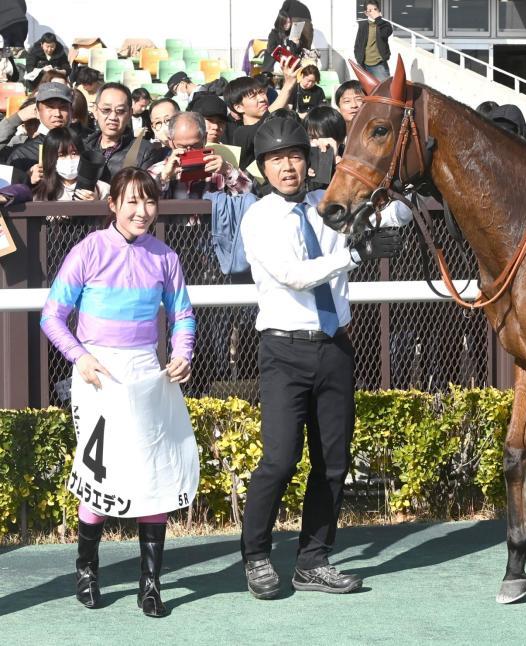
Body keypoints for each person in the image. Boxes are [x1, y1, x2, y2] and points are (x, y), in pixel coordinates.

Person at [238, 117, 409, 599]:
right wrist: (356, 256)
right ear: (263, 168)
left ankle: (313, 560)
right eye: (275, 160)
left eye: (293, 156)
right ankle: (255, 557)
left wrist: (401, 201)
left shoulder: (326, 203)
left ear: (307, 159)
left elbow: (389, 218)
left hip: (334, 345)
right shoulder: (259, 217)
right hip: (283, 349)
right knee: (279, 459)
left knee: (333, 462)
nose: (287, 166)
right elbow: (294, 275)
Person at [40, 167, 197, 617]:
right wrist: (79, 356)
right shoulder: (87, 250)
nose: (141, 211)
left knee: (154, 475)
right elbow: (52, 316)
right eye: (131, 201)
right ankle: (87, 569)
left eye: (149, 202)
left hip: (149, 373)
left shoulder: (165, 256)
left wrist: (182, 352)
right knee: (99, 476)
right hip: (98, 375)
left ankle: (150, 584)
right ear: (113, 205)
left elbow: (183, 315)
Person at [147, 111, 252, 199]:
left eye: (195, 145)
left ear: (204, 138)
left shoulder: (218, 168)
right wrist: (163, 177)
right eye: (182, 147)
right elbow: (145, 202)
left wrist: (227, 171)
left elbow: (247, 195)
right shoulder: (157, 170)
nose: (189, 151)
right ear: (170, 141)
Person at [225, 57, 301, 169]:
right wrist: (288, 84)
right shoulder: (241, 134)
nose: (262, 99)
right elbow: (262, 123)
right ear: (239, 107)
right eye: (253, 96)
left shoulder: (276, 125)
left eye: (261, 92)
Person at [85, 83, 163, 181]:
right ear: (95, 111)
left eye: (120, 111)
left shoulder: (145, 151)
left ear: (130, 113)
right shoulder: (82, 147)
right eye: (106, 110)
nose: (113, 117)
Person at [6, 82, 73, 175]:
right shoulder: (22, 155)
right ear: (37, 112)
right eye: (50, 107)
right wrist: (27, 180)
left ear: (71, 111)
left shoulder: (84, 146)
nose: (57, 113)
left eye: (63, 107)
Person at [33, 126, 110, 201]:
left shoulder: (102, 189)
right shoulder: (40, 192)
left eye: (74, 153)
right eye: (61, 155)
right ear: (51, 158)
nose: (69, 159)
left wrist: (96, 206)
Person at [262, 4, 312, 76]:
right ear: (280, 22)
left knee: (303, 67)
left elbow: (297, 52)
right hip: (276, 61)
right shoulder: (274, 34)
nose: (287, 25)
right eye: (285, 23)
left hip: (290, 60)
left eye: (289, 22)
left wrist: (297, 44)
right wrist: (284, 51)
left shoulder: (293, 32)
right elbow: (271, 50)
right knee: (288, 68)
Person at [354, 1, 392, 82]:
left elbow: (384, 34)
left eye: (375, 9)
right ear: (366, 13)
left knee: (384, 90)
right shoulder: (363, 25)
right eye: (370, 10)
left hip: (379, 65)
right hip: (364, 65)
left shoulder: (385, 25)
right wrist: (359, 59)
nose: (373, 12)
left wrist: (378, 19)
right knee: (366, 91)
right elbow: (358, 44)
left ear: (379, 10)